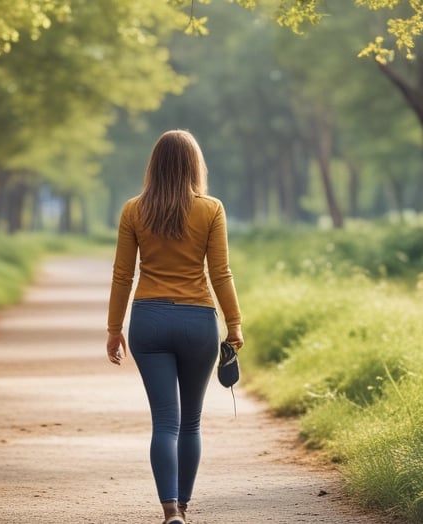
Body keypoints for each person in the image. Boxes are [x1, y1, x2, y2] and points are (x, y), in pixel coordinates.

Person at [106, 129, 244, 524]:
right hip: (197, 321)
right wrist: (233, 324)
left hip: (148, 321)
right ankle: (183, 507)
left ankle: (169, 512)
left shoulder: (134, 210)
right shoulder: (211, 209)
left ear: (155, 165)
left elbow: (122, 275)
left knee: (165, 420)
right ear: (194, 165)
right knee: (191, 421)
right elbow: (221, 273)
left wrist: (114, 328)